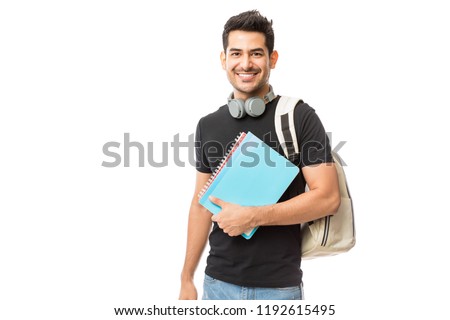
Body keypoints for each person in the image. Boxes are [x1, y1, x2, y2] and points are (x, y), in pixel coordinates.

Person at [179, 10, 340, 300]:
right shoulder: (208, 125)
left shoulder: (299, 117)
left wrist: (253, 216)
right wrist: (186, 277)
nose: (245, 63)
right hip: (216, 285)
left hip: (279, 289)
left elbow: (327, 198)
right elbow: (201, 205)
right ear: (223, 59)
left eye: (256, 53)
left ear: (272, 59)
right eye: (236, 53)